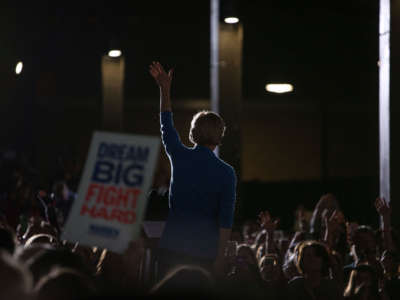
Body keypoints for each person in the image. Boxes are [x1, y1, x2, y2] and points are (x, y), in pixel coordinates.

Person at [149, 61, 237, 279]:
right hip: (205, 254)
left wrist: (165, 90)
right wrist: (219, 258)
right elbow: (225, 221)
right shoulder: (227, 173)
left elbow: (166, 126)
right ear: (219, 137)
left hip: (172, 248)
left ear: (192, 133)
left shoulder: (180, 157)